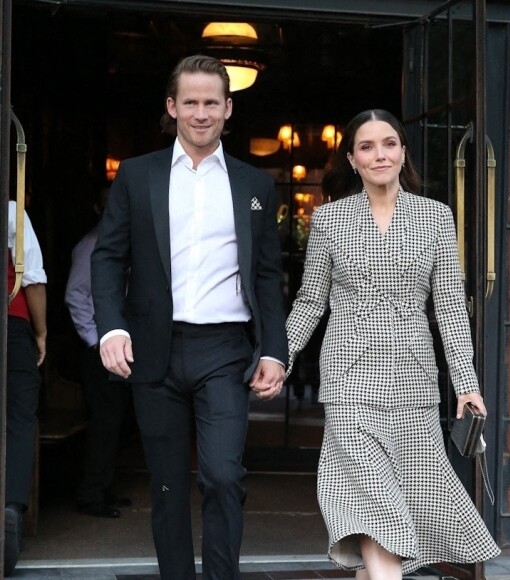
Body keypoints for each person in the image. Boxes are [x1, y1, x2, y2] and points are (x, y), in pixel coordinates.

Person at [91, 54, 288, 580]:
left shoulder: (255, 184)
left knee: (223, 476)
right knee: (168, 486)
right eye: (191, 102)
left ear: (228, 108)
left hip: (224, 351)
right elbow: (108, 257)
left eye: (212, 103)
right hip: (153, 348)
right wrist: (111, 327)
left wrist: (273, 349)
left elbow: (268, 274)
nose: (201, 113)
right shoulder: (137, 175)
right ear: (172, 106)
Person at [285, 109, 501, 579]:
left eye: (388, 144)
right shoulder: (330, 221)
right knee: (372, 504)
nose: (379, 154)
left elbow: (448, 307)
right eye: (367, 147)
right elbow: (309, 302)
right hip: (350, 383)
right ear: (352, 158)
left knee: (411, 506)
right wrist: (278, 360)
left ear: (403, 152)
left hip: (413, 384)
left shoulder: (436, 217)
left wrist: (465, 383)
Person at [64, 186, 132, 518]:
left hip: (120, 350)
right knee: (105, 421)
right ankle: (91, 495)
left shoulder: (120, 247)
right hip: (98, 350)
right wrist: (95, 341)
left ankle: (103, 489)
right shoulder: (90, 246)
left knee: (116, 420)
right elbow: (76, 297)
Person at [5, 199, 47, 577]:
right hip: (12, 323)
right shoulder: (11, 210)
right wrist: (41, 331)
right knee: (19, 420)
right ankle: (10, 506)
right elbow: (31, 276)